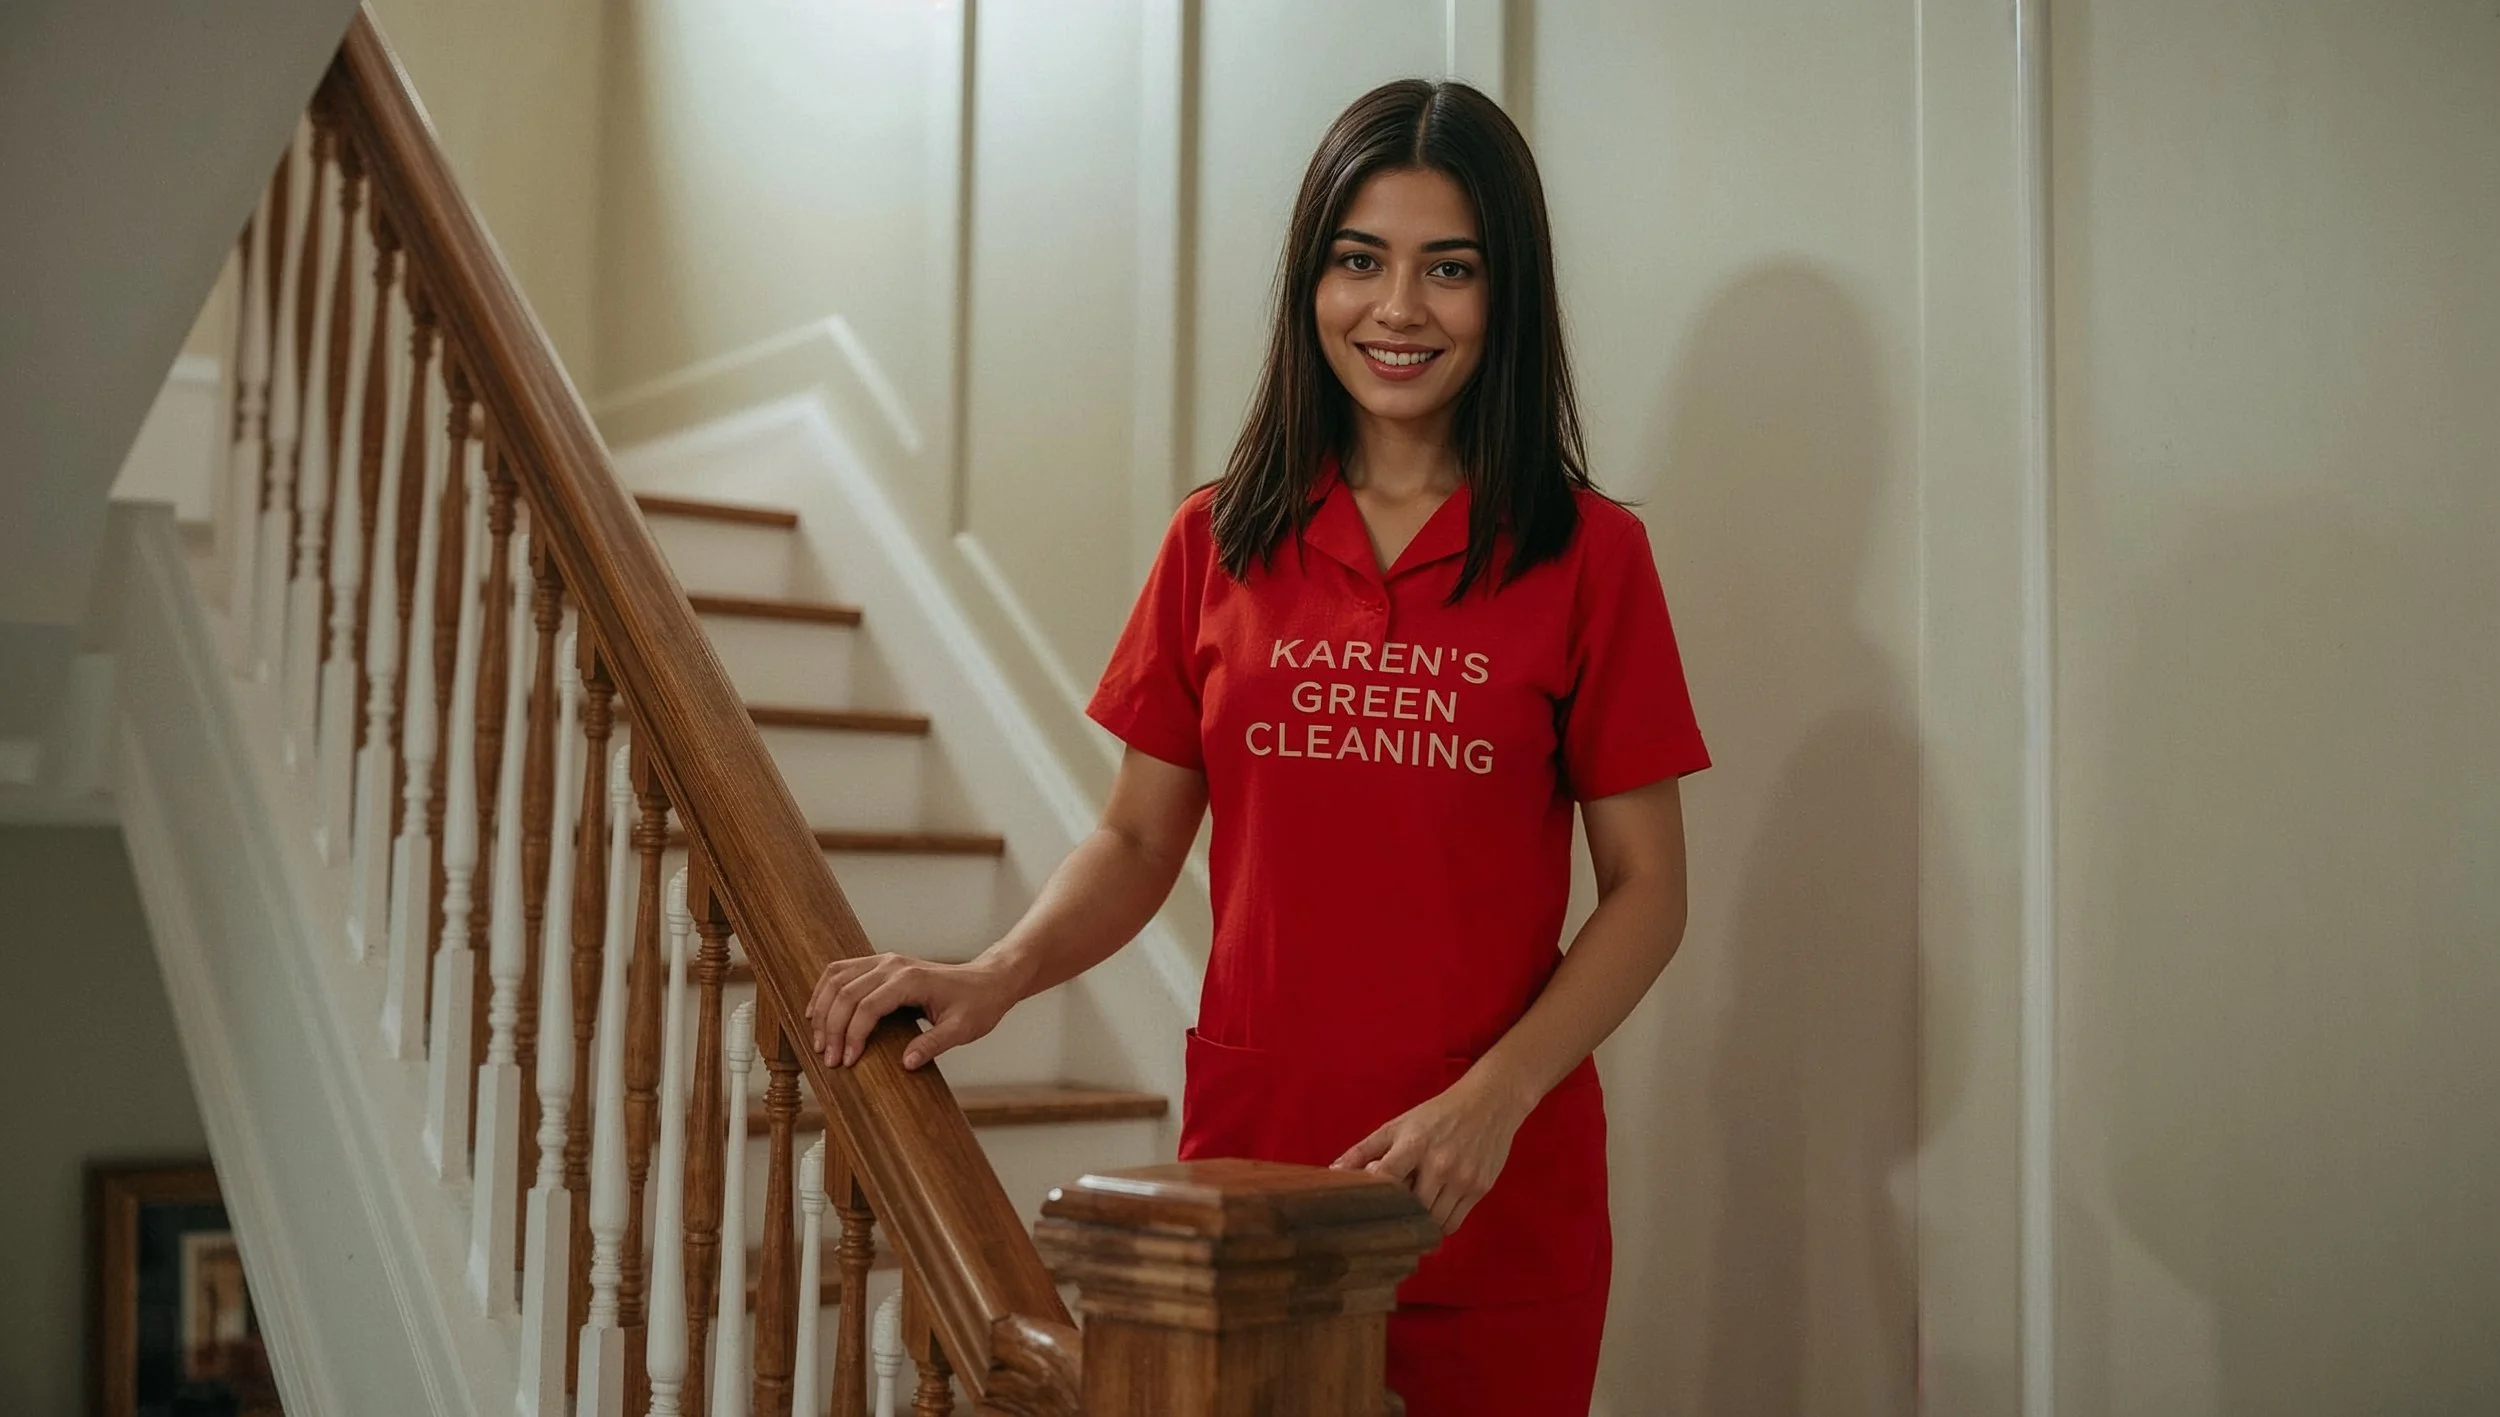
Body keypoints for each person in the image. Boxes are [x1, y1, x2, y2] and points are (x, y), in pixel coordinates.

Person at [806, 78, 1707, 1416]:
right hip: (1250, 1195)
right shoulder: (1215, 541)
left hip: (1496, 1198)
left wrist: (1496, 1098)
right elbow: (1133, 837)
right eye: (1360, 260)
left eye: (1447, 269)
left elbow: (1649, 890)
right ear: (1311, 282)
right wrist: (999, 972)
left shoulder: (1591, 560)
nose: (1397, 308)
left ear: (1504, 294)